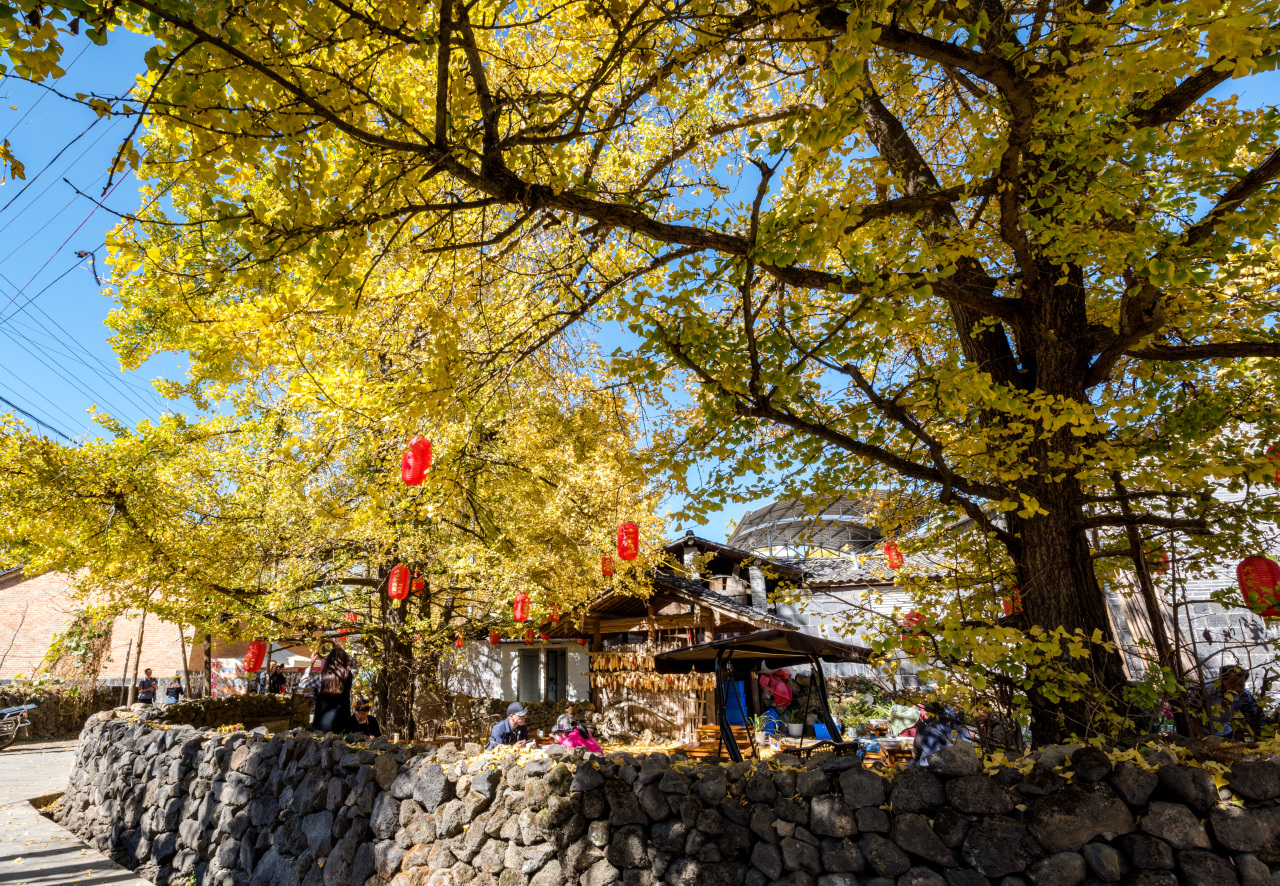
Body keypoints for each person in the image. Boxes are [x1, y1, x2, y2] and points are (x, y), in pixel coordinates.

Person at [1190, 665, 1261, 740]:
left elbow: (1254, 716)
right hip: (1200, 729)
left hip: (1224, 729)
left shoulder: (1244, 696)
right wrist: (1199, 732)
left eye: (1241, 685)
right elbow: (1190, 712)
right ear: (1222, 680)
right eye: (1232, 684)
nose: (1237, 688)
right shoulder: (1205, 689)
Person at [310, 645, 356, 734]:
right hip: (342, 727)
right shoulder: (348, 676)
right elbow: (355, 665)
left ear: (328, 660)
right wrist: (341, 651)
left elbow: (303, 683)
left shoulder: (321, 677)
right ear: (345, 660)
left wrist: (311, 664)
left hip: (321, 727)